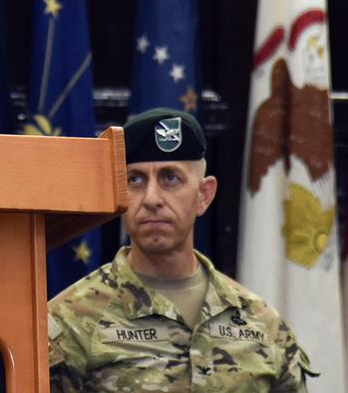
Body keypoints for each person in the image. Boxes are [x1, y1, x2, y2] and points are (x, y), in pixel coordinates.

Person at [47, 108, 316, 392]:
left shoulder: (262, 325)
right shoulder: (70, 321)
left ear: (204, 195)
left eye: (170, 178)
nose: (151, 198)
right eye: (135, 180)